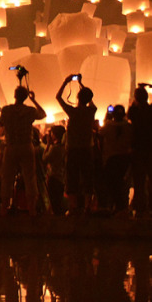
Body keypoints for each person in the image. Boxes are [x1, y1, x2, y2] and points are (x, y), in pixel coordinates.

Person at [0, 85, 47, 216]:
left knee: (7, 177)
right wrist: (34, 100)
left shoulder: (6, 110)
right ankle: (32, 209)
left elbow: (0, 122)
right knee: (30, 177)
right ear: (25, 97)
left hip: (11, 145)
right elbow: (43, 114)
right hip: (26, 145)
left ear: (14, 95)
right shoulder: (30, 111)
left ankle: (4, 207)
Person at [57, 75, 98, 214]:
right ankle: (87, 206)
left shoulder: (72, 111)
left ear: (78, 97)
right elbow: (91, 102)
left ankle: (73, 207)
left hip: (73, 149)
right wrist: (82, 85)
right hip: (87, 148)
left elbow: (58, 97)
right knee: (87, 177)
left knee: (72, 177)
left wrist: (66, 81)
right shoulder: (91, 111)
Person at [127, 82, 152, 215]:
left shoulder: (133, 111)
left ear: (135, 98)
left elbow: (131, 112)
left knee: (139, 181)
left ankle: (140, 208)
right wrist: (150, 86)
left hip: (138, 148)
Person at [100, 104, 133, 213]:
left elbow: (100, 135)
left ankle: (117, 206)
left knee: (111, 184)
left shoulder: (108, 126)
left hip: (111, 159)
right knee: (122, 184)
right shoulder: (129, 127)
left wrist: (106, 119)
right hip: (125, 159)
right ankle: (123, 206)